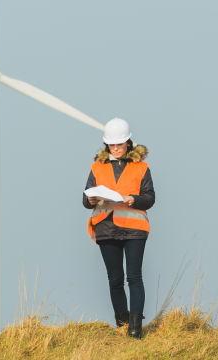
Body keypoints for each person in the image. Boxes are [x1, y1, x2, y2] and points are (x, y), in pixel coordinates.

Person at [83, 118, 154, 339]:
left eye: (120, 144)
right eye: (112, 145)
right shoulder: (96, 167)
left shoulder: (142, 167)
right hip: (106, 227)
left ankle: (135, 330)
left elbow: (150, 198)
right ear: (107, 145)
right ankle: (122, 326)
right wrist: (92, 201)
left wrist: (134, 199)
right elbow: (86, 200)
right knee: (114, 279)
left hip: (134, 228)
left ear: (128, 143)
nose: (116, 148)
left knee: (134, 277)